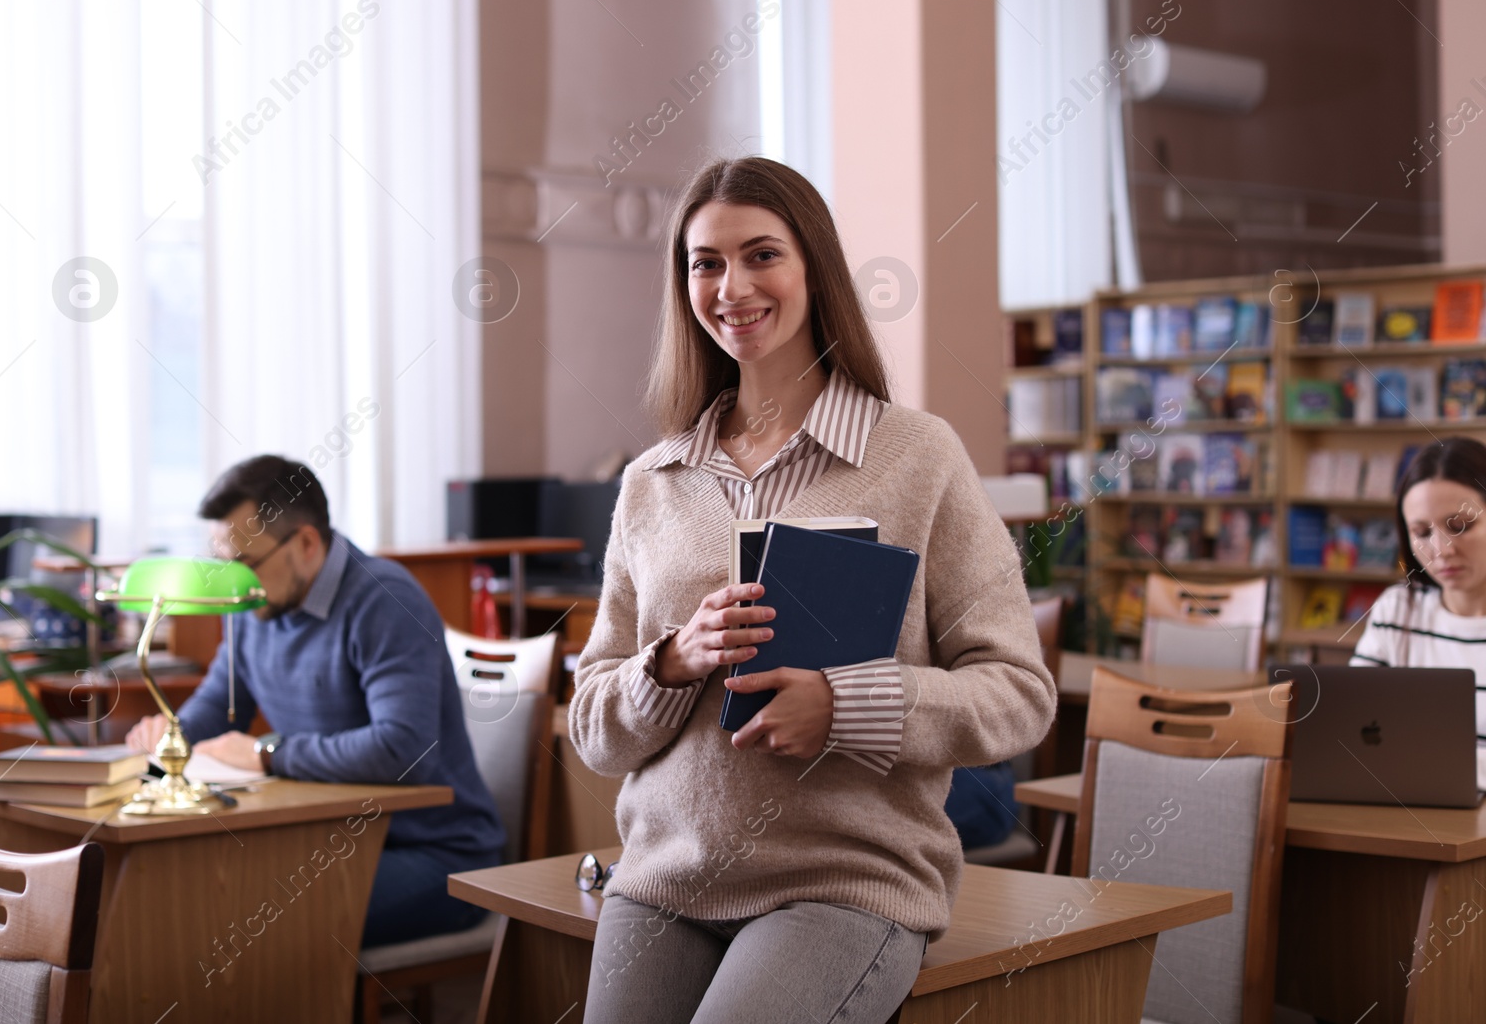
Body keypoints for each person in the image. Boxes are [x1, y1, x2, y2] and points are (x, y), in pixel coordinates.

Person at [566, 157, 1057, 1023]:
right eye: (705, 263)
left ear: (813, 268)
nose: (731, 286)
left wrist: (846, 705)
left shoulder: (918, 457)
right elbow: (594, 725)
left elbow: (1018, 695)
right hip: (664, 876)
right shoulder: (652, 480)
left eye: (762, 255)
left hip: (843, 882)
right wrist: (673, 662)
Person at [125, 455, 505, 947]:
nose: (232, 581)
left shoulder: (384, 600)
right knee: (188, 889)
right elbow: (217, 703)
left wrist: (267, 754)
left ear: (305, 543)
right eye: (223, 562)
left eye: (243, 563)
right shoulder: (252, 602)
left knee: (245, 916)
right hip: (323, 842)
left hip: (436, 855)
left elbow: (402, 748)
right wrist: (167, 736)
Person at [1350, 436, 1486, 788]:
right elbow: (1350, 728)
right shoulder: (1398, 609)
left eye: (1460, 526)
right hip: (1405, 807)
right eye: (1422, 532)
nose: (1441, 549)